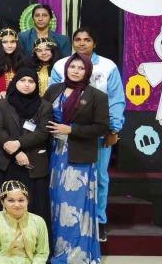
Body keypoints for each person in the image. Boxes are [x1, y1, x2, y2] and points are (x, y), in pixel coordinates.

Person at [49, 28, 124, 242]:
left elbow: (117, 100)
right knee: (65, 180)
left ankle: (98, 221)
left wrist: (114, 129)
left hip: (97, 133)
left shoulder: (107, 66)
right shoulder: (61, 65)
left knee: (99, 178)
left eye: (87, 40)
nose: (82, 43)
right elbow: (55, 98)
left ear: (95, 43)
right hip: (63, 135)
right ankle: (65, 224)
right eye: (77, 40)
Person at [44, 54, 109, 264]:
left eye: (81, 68)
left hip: (79, 157)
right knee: (55, 204)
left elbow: (101, 128)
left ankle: (75, 256)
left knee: (73, 207)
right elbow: (41, 115)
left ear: (88, 71)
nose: (75, 71)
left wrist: (71, 130)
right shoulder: (55, 90)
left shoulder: (96, 96)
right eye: (72, 66)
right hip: (54, 154)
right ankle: (56, 251)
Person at [0, 68, 51, 219]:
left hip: (33, 163)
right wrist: (16, 152)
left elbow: (43, 132)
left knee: (34, 209)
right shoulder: (3, 103)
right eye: (22, 80)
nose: (26, 84)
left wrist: (18, 143)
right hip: (6, 162)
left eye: (31, 81)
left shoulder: (44, 106)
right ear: (15, 82)